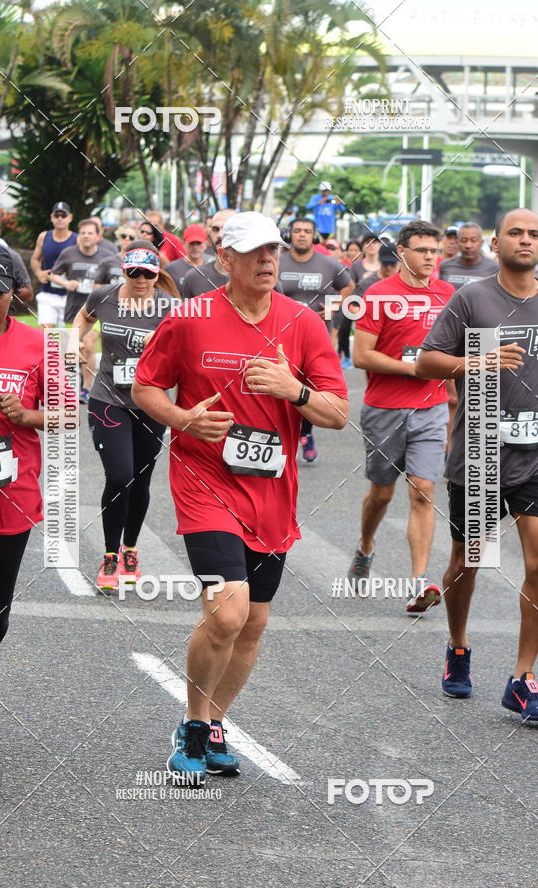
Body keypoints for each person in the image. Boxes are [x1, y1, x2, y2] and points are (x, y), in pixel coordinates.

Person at [132, 211, 348, 785]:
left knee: (252, 621)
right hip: (204, 484)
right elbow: (145, 385)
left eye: (273, 250)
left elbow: (338, 413)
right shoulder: (190, 318)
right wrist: (182, 419)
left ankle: (218, 722)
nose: (268, 260)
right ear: (224, 260)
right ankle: (193, 726)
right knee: (226, 610)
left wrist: (293, 389)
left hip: (272, 492)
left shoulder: (302, 323)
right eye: (253, 252)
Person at [416, 208, 538, 722]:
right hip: (481, 450)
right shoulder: (472, 298)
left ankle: (522, 678)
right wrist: (475, 361)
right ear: (497, 242)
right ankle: (458, 646)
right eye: (516, 233)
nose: (526, 240)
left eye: (534, 234)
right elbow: (427, 361)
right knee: (471, 562)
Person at [350, 221, 455, 612]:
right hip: (384, 409)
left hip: (430, 409)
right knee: (381, 493)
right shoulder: (378, 295)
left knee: (423, 491)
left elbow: (455, 351)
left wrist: (454, 403)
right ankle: (365, 547)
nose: (430, 257)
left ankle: (419, 581)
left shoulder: (448, 295)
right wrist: (415, 368)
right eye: (422, 250)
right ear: (401, 251)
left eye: (435, 251)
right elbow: (362, 355)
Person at [0, 245, 49, 779]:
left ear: (12, 296)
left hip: (10, 495)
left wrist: (27, 414)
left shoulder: (38, 345)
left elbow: (69, 412)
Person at [73, 242, 178, 589]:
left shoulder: (169, 307)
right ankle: (109, 555)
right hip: (109, 399)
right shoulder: (104, 296)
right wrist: (75, 341)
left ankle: (130, 548)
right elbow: (83, 318)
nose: (140, 279)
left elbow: (188, 347)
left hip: (151, 405)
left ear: (156, 274)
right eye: (133, 272)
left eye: (148, 273)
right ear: (124, 271)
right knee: (119, 476)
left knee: (141, 480)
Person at [277, 216, 352, 463]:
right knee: (280, 385)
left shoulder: (329, 264)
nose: (301, 235)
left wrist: (334, 306)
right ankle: (279, 435)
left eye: (306, 231)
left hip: (316, 337)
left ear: (314, 236)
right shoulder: (278, 260)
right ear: (289, 235)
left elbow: (348, 287)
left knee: (311, 389)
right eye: (297, 231)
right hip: (281, 336)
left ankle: (306, 434)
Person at [49, 219, 112, 402]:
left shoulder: (106, 257)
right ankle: (70, 387)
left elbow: (116, 280)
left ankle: (85, 388)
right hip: (74, 309)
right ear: (79, 235)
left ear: (97, 236)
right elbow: (53, 275)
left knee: (89, 345)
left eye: (90, 233)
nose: (86, 236)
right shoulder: (68, 254)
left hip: (97, 311)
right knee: (70, 349)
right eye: (83, 233)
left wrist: (100, 287)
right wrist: (66, 283)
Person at [30, 201, 77, 328]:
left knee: (68, 341)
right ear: (52, 217)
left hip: (69, 295)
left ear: (70, 218)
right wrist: (39, 273)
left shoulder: (76, 239)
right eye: (57, 215)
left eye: (64, 215)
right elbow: (35, 259)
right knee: (47, 339)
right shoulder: (44, 236)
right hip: (47, 293)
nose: (60, 218)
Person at [180, 210, 238, 299]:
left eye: (227, 228)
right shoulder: (194, 278)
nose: (219, 234)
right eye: (215, 229)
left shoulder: (256, 277)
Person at [439, 222, 498, 288]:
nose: (468, 245)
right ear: (458, 242)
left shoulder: (494, 268)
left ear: (481, 242)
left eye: (473, 240)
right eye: (464, 240)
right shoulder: (445, 266)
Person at [165, 225, 208, 292]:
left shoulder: (213, 267)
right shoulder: (171, 269)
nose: (195, 247)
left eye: (198, 243)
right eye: (192, 243)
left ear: (206, 244)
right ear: (183, 243)